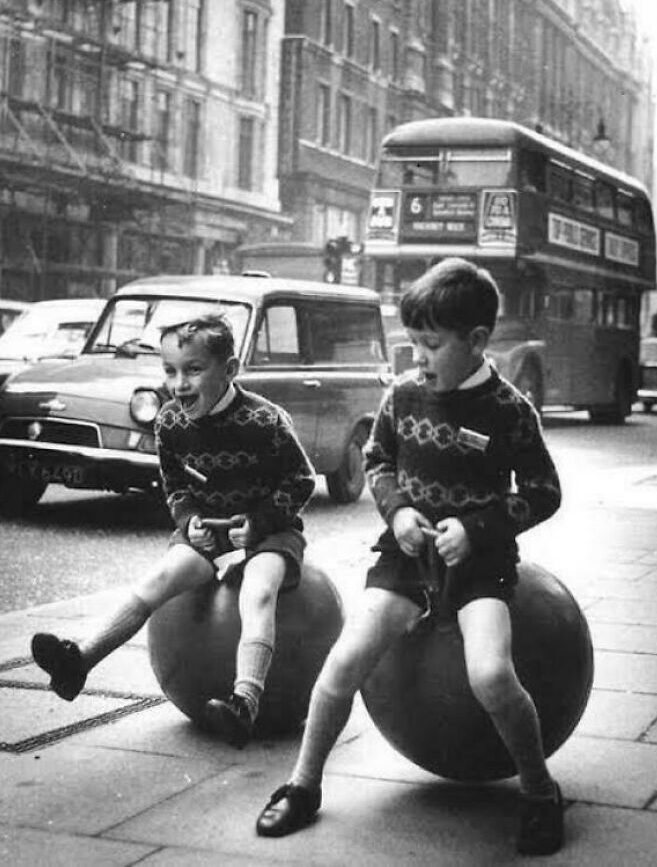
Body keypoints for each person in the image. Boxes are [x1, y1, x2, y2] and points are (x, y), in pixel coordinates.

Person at [255, 258, 564, 856]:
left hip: (480, 568)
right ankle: (302, 784)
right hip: (405, 560)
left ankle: (539, 791)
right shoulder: (401, 395)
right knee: (343, 663)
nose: (417, 357)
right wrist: (396, 511)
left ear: (476, 342)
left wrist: (477, 528)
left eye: (430, 345)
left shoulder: (509, 410)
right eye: (413, 344)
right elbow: (378, 461)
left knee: (492, 675)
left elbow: (545, 491)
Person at [31, 314, 316, 748]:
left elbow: (302, 479)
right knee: (156, 580)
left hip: (267, 534)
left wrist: (258, 525)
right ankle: (79, 662)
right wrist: (189, 522)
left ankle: (245, 702)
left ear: (230, 369)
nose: (179, 383)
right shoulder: (169, 423)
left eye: (194, 369)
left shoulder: (266, 420)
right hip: (207, 534)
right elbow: (175, 485)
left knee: (258, 592)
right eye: (170, 371)